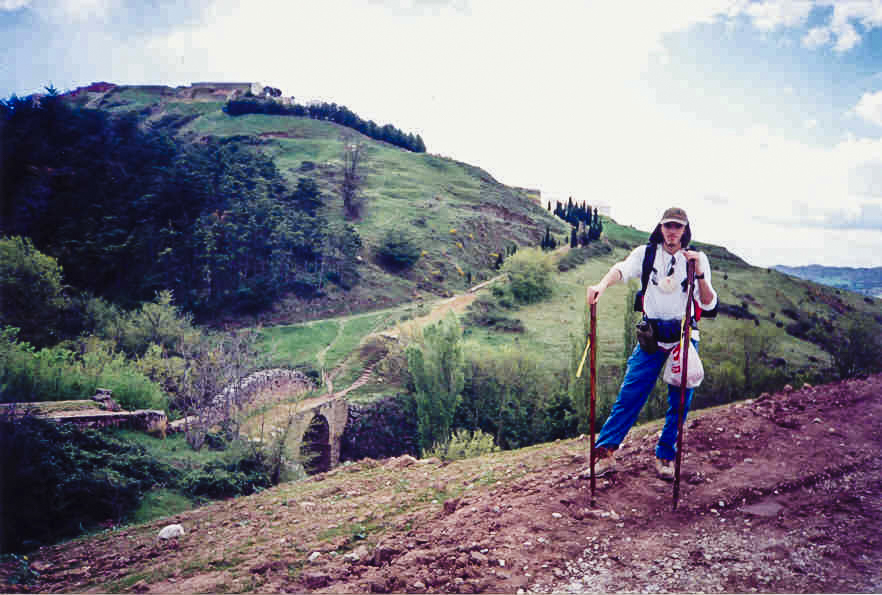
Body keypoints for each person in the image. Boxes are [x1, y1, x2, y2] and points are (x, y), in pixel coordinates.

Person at [585, 207, 717, 480]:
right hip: (652, 335)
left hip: (683, 337)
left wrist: (700, 274)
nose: (672, 231)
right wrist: (601, 286)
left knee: (680, 401)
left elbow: (708, 303)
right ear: (661, 227)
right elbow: (621, 270)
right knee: (630, 394)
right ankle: (605, 453)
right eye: (668, 225)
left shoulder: (697, 258)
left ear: (685, 230)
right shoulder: (645, 253)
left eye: (677, 226)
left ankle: (665, 455)